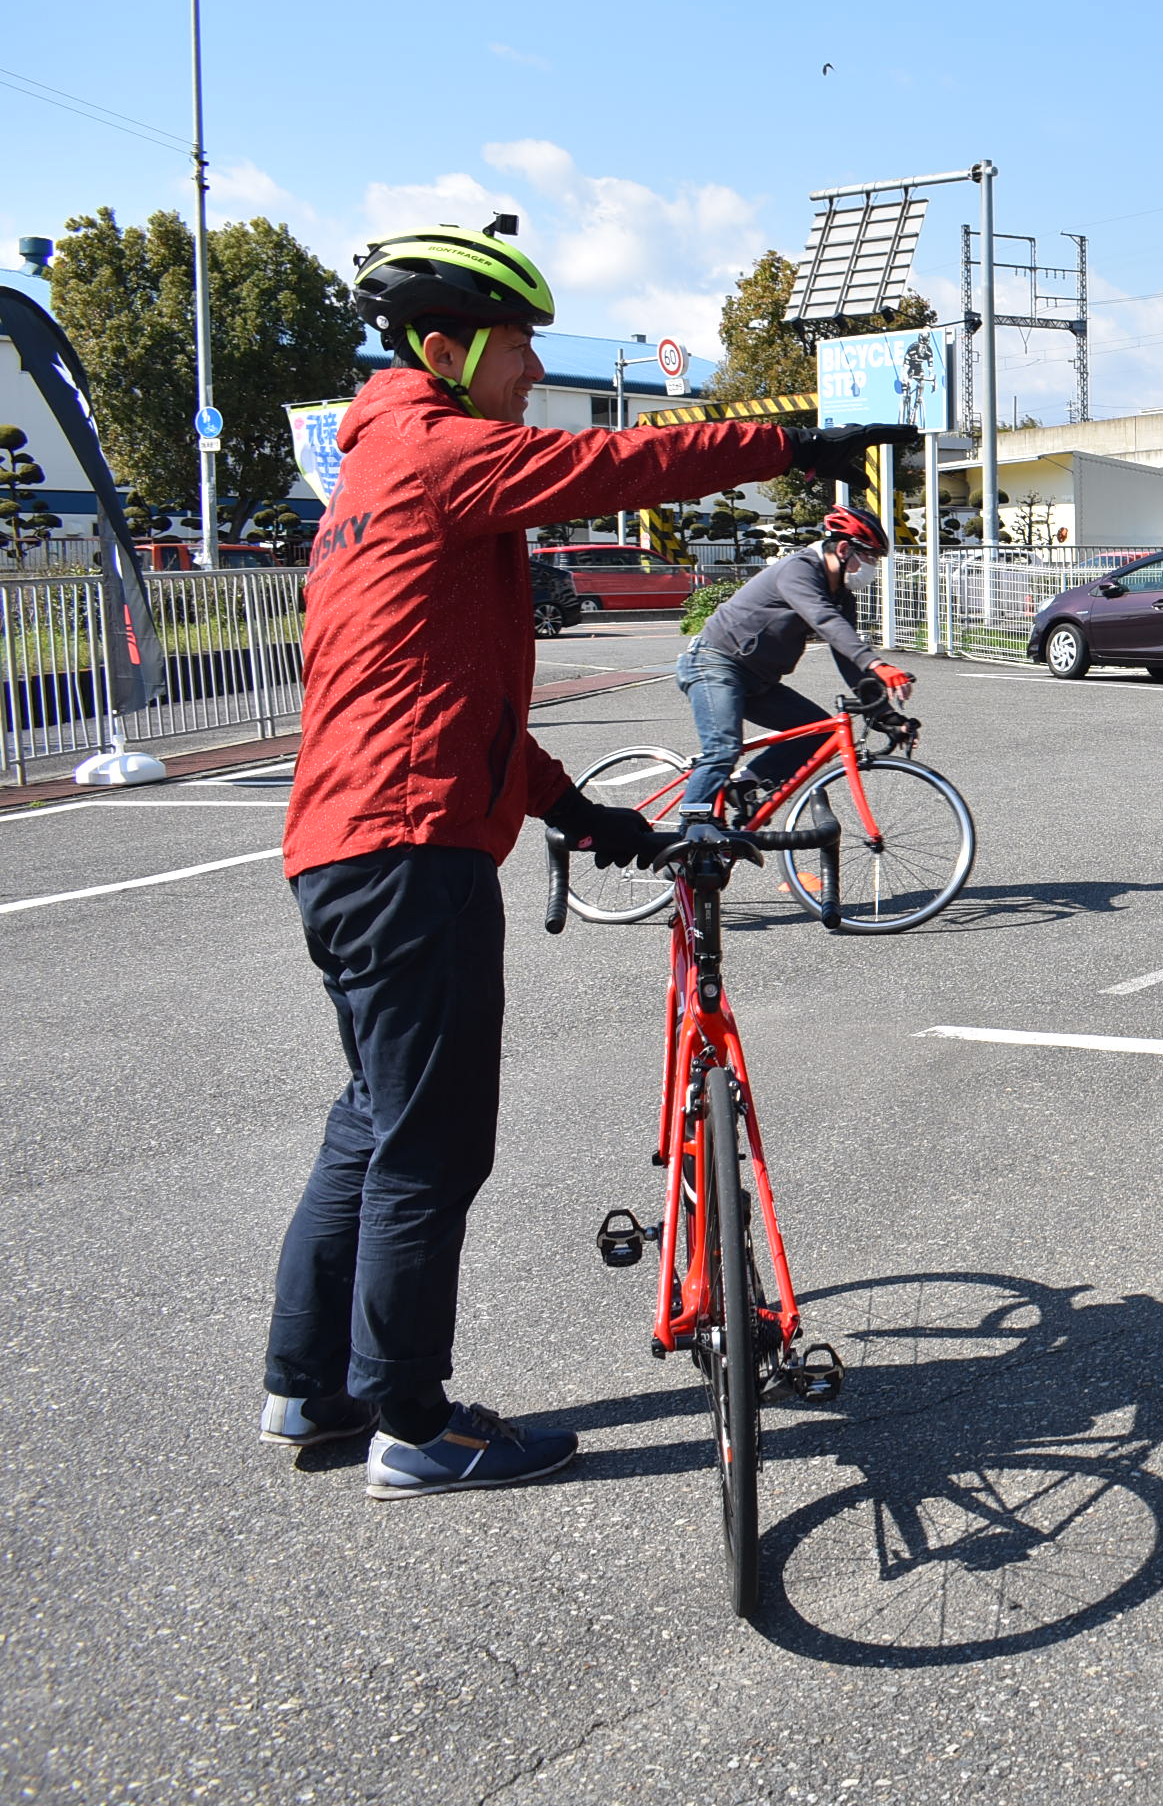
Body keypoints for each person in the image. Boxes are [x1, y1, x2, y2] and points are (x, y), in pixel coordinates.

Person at [262, 218, 915, 1497]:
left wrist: (591, 817)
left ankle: (308, 1389)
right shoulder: (433, 450)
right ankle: (411, 1418)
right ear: (443, 350)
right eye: (514, 348)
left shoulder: (373, 487)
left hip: (345, 850)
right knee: (430, 1148)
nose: (527, 371)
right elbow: (615, 462)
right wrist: (786, 444)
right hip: (410, 853)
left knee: (369, 1123)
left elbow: (451, 709)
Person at [674, 503, 914, 831]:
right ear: (844, 549)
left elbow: (846, 658)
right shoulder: (799, 570)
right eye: (870, 557)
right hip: (715, 662)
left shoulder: (841, 595)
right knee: (722, 746)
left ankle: (744, 785)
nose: (872, 567)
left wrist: (886, 716)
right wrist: (876, 662)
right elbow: (823, 619)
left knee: (820, 731)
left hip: (758, 679)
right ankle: (692, 831)